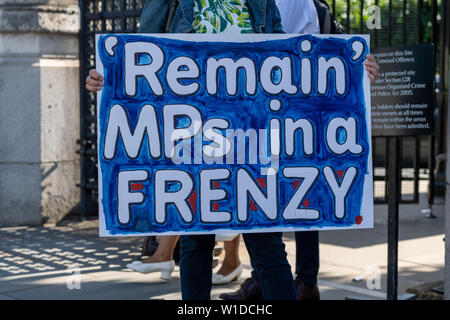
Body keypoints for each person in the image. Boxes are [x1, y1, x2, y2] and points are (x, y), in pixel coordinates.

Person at [86, 0, 297, 300]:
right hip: (190, 135)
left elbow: (288, 60)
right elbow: (138, 55)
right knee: (196, 241)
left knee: (267, 243)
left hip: (251, 134)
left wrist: (353, 72)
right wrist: (106, 80)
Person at [219, 0, 379, 301]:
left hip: (300, 111)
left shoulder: (308, 6)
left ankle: (304, 281)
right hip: (259, 112)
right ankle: (268, 279)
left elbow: (337, 50)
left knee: (304, 193)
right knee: (266, 191)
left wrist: (360, 68)